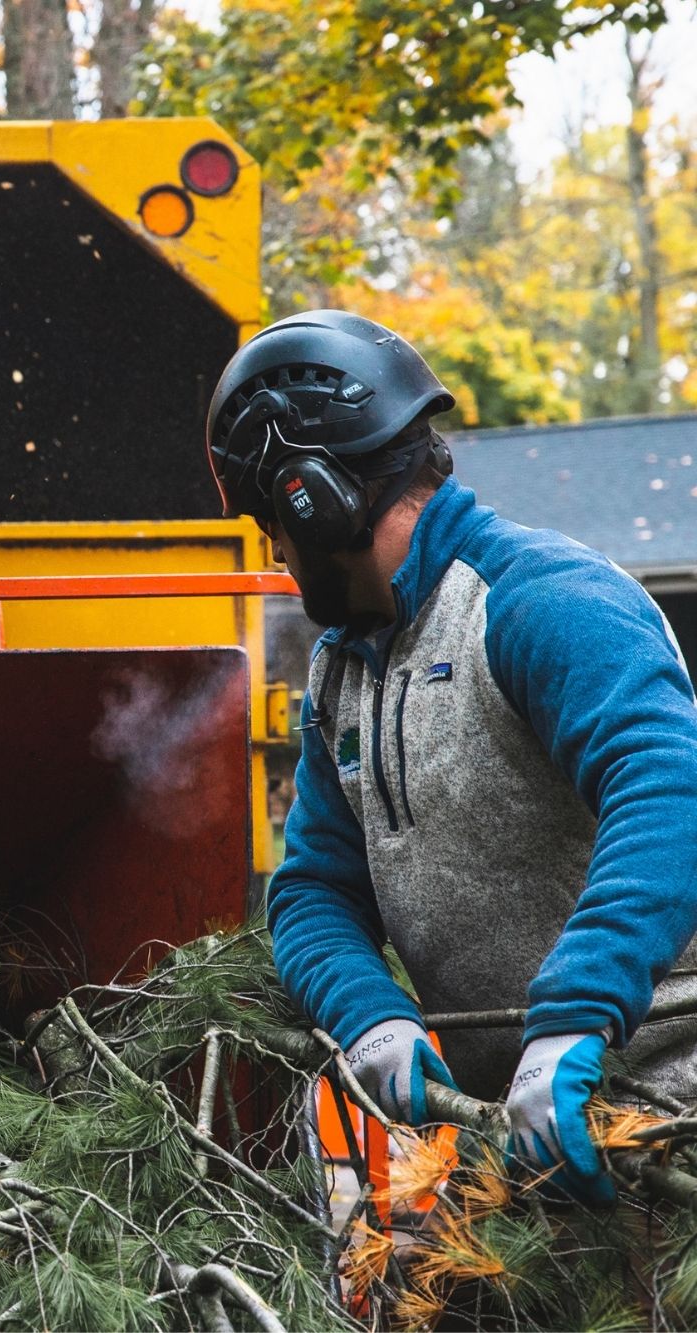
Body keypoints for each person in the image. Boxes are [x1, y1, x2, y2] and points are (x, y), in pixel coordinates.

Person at [207, 309, 697, 1202]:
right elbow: (313, 890)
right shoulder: (341, 675)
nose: (277, 554)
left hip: (671, 1116)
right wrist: (371, 1014)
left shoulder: (536, 600)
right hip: (508, 1147)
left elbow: (668, 789)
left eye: (269, 522)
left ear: (311, 496)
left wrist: (576, 1014)